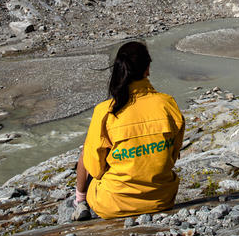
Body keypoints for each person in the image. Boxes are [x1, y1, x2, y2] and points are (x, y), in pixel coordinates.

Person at [72, 41, 185, 220]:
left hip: (112, 204)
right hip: (161, 199)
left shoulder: (106, 111)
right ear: (147, 69)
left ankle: (80, 201)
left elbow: (95, 168)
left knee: (88, 149)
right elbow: (172, 155)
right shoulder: (167, 104)